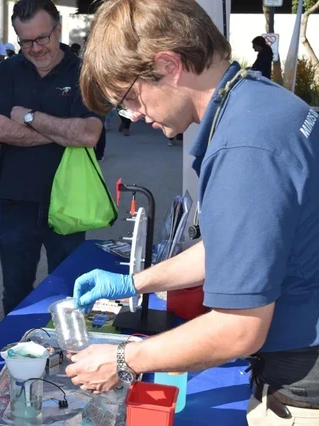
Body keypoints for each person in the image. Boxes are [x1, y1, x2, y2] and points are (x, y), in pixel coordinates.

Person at [66, 1, 319, 424]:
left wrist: (126, 359)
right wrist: (133, 282)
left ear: (168, 65)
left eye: (128, 99)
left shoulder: (244, 147)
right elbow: (236, 247)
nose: (135, 115)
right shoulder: (257, 101)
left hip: (301, 376)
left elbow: (239, 328)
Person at [0, 0, 103, 315]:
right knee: (16, 294)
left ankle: (71, 359)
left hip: (69, 202)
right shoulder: (8, 71)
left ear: (58, 29)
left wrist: (27, 117)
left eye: (42, 38)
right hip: (16, 204)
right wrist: (63, 134)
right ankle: (17, 356)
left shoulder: (82, 73)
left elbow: (90, 134)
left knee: (71, 291)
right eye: (26, 41)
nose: (35, 48)